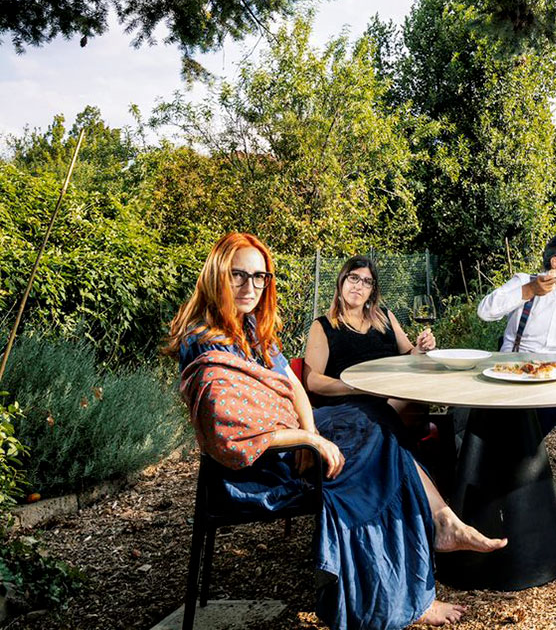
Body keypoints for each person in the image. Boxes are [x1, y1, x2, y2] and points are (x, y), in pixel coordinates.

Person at [169, 233, 504, 628]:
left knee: (377, 428)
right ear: (216, 275)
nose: (250, 286)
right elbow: (227, 427)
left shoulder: (251, 328)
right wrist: (307, 439)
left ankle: (435, 540)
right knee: (374, 453)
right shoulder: (204, 340)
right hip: (259, 463)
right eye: (238, 275)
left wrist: (309, 431)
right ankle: (410, 575)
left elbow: (292, 387)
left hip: (299, 432)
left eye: (260, 277)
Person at [476, 233, 556, 433]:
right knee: (482, 409)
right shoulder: (524, 281)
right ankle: (514, 456)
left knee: (526, 417)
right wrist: (529, 290)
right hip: (513, 376)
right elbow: (485, 312)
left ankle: (510, 456)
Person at [302, 255, 435, 418]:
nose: (359, 286)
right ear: (341, 281)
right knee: (401, 405)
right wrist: (356, 386)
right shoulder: (323, 326)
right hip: (354, 402)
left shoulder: (385, 317)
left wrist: (420, 348)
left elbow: (409, 355)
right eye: (353, 278)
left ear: (372, 291)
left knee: (419, 396)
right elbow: (312, 381)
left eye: (367, 282)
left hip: (394, 393)